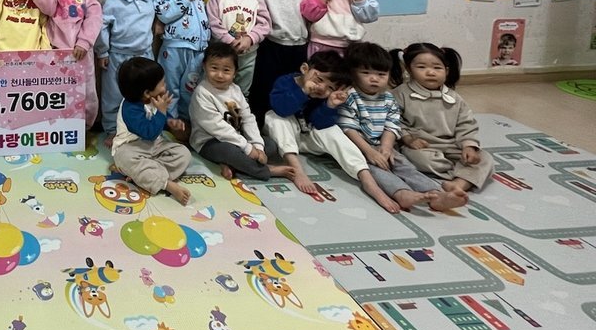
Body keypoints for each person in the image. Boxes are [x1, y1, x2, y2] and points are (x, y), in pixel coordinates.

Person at [264, 51, 402, 212]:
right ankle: (296, 169)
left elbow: (320, 123)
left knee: (333, 130)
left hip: (307, 138)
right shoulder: (286, 82)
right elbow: (281, 109)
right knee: (274, 117)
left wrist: (330, 105)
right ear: (304, 69)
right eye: (319, 80)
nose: (321, 88)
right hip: (286, 138)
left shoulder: (326, 96)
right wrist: (303, 92)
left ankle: (367, 179)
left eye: (330, 87)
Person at [337, 42, 467, 212]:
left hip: (382, 144)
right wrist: (370, 152)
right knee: (377, 170)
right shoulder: (348, 97)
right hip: (358, 147)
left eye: (381, 74)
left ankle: (436, 194)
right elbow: (348, 129)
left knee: (405, 166)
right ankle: (402, 193)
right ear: (352, 73)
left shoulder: (388, 99)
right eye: (366, 73)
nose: (374, 78)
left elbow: (392, 126)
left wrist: (386, 148)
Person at [392, 43, 494, 195]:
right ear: (409, 69)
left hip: (451, 145)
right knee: (420, 159)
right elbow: (394, 121)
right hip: (420, 147)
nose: (430, 72)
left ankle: (459, 184)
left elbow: (466, 124)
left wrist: (468, 146)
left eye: (437, 68)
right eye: (421, 67)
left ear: (446, 71)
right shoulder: (400, 94)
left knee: (485, 158)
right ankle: (463, 174)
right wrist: (408, 139)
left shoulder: (454, 97)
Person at [189, 43, 290, 181]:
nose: (219, 75)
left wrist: (257, 146)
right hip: (209, 141)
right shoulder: (202, 93)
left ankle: (231, 165)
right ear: (204, 66)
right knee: (229, 151)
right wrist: (247, 148)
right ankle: (266, 170)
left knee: (270, 145)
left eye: (226, 70)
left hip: (237, 137)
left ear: (235, 72)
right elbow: (218, 128)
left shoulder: (235, 90)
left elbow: (248, 118)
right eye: (214, 68)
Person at [33, 0, 103, 127]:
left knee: (86, 91)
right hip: (56, 52)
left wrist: (84, 42)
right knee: (57, 91)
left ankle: (85, 127)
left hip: (81, 52)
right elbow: (47, 9)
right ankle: (58, 128)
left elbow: (94, 17)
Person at [110, 57, 192, 204]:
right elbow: (149, 133)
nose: (165, 86)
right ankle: (166, 184)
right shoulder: (130, 109)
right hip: (131, 147)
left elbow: (157, 123)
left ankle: (143, 176)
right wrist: (161, 112)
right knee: (124, 158)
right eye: (163, 83)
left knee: (184, 153)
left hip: (155, 146)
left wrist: (170, 123)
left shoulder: (154, 99)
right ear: (147, 92)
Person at [95, 0, 156, 135]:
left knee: (147, 92)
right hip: (118, 57)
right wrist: (102, 52)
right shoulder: (111, 0)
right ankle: (112, 129)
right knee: (114, 94)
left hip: (145, 55)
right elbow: (101, 27)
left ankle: (147, 126)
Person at [252, 0, 308, 120]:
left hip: (299, 46)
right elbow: (261, 22)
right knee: (269, 84)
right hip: (274, 46)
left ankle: (296, 118)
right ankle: (265, 120)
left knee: (298, 83)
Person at [154, 0, 209, 124]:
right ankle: (170, 120)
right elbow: (164, 15)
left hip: (197, 49)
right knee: (170, 86)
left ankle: (186, 120)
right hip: (174, 48)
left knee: (191, 87)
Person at [206, 0, 270, 98]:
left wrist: (250, 39)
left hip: (248, 54)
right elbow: (213, 23)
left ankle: (240, 110)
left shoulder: (255, 0)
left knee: (243, 90)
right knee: (217, 86)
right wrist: (230, 40)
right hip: (221, 54)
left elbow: (264, 25)